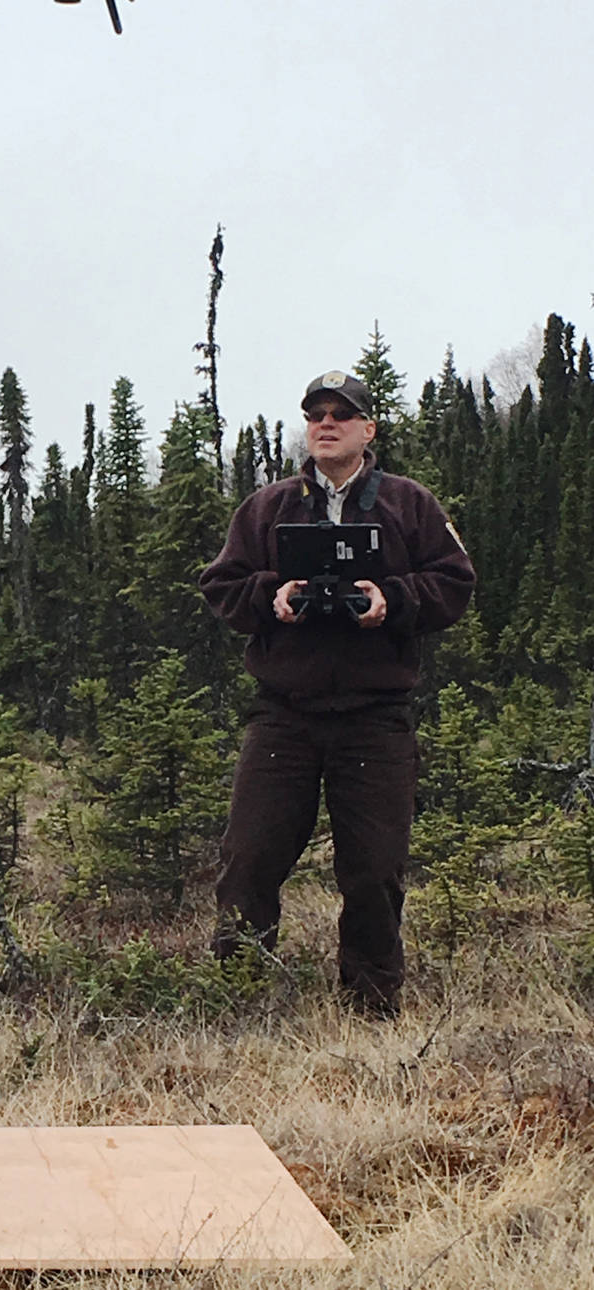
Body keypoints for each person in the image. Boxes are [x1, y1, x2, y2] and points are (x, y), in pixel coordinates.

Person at [198, 370, 476, 1016]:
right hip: (284, 717)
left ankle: (372, 1008)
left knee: (374, 871)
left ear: (367, 430)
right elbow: (221, 586)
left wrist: (394, 598)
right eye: (316, 414)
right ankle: (237, 999)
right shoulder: (267, 508)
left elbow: (455, 583)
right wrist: (272, 596)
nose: (327, 423)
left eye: (341, 414)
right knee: (249, 860)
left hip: (375, 719)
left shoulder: (409, 504)